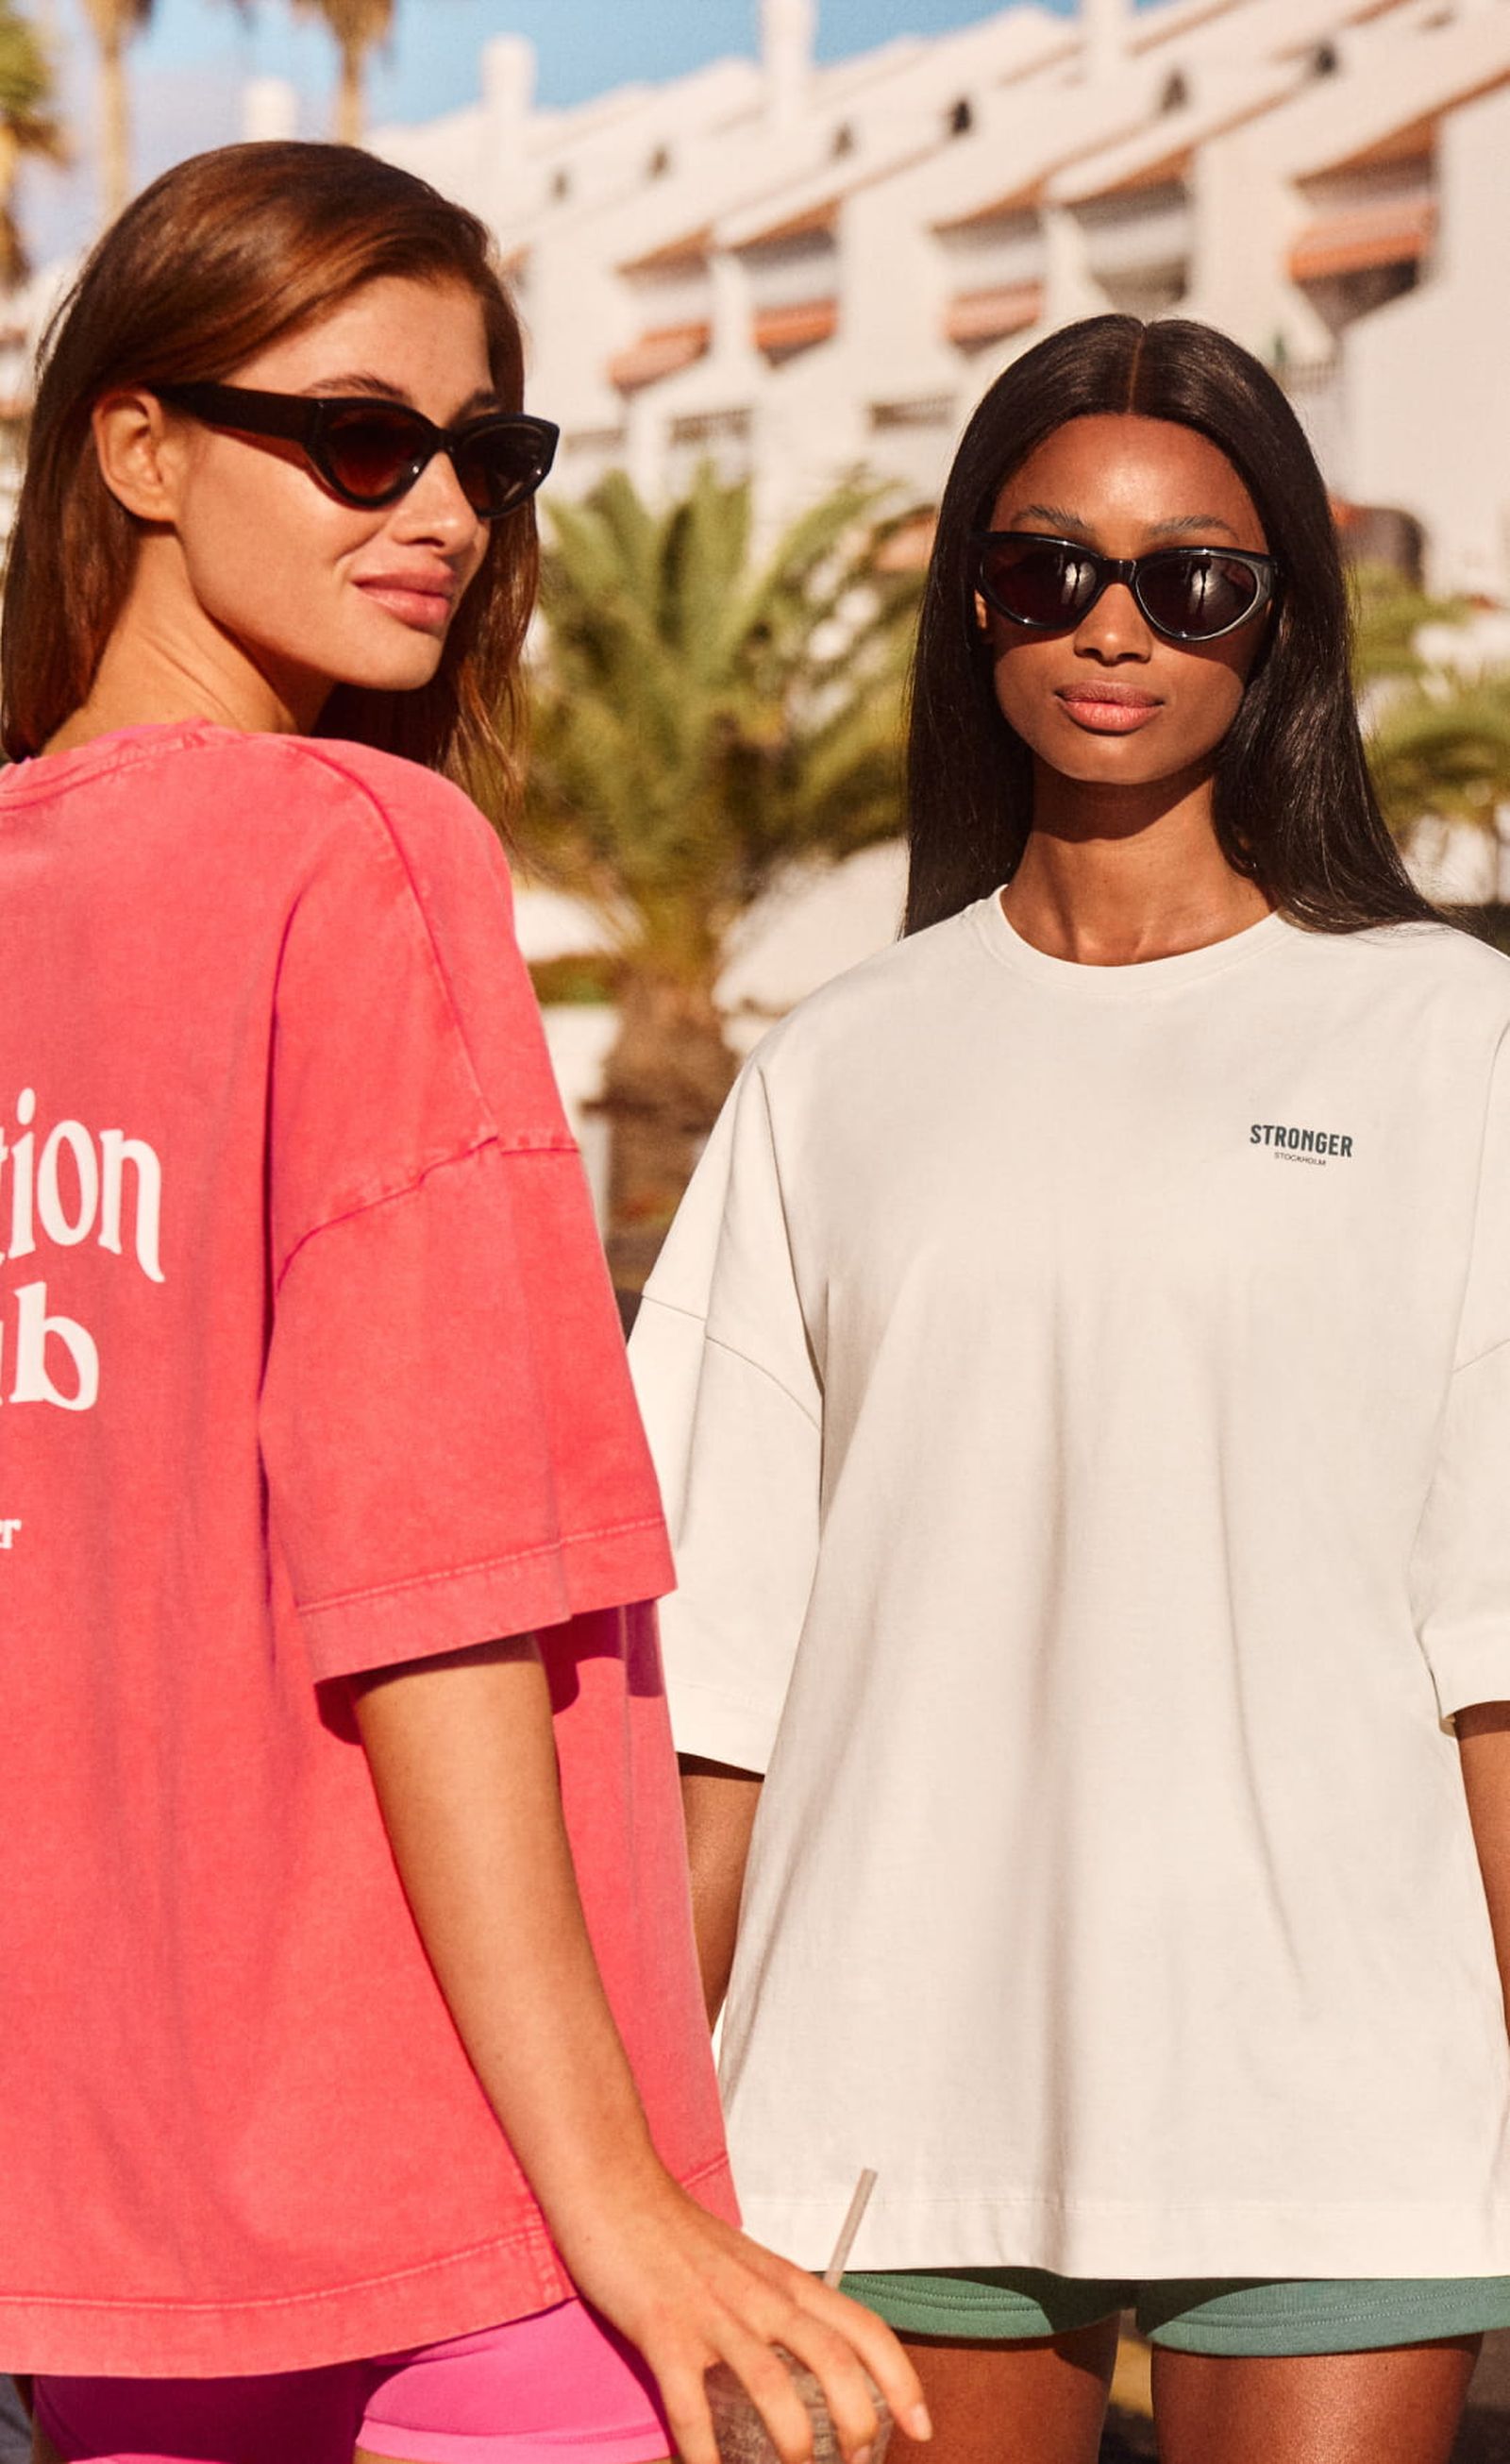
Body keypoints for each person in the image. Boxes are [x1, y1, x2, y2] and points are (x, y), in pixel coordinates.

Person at [0, 142, 927, 2464]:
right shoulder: (364, 851)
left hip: (103, 2215)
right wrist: (611, 2194)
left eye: (488, 453)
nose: (444, 511)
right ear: (134, 444)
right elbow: (436, 1589)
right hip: (442, 2186)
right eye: (357, 437)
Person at [628, 312, 1510, 2464]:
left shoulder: (1438, 1042)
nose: (1111, 630)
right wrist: (637, 2150)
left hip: (1337, 2076)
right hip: (873, 2071)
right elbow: (712, 1676)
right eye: (1044, 572)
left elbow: (1488, 1642)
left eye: (1188, 579)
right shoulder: (834, 1069)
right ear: (970, 604)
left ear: (1276, 621)